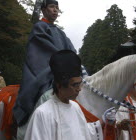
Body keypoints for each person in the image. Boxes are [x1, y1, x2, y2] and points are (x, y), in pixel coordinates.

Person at [13, 0, 77, 129]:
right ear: (43, 10)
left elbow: (72, 52)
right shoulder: (39, 27)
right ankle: (28, 127)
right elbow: (43, 52)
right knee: (44, 94)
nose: (55, 10)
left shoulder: (61, 33)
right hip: (46, 73)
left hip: (63, 72)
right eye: (52, 7)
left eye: (57, 8)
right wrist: (62, 62)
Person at [24, 50, 116, 140]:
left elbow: (83, 132)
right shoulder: (43, 113)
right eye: (74, 85)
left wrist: (103, 120)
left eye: (79, 83)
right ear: (59, 85)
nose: (79, 89)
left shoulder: (75, 107)